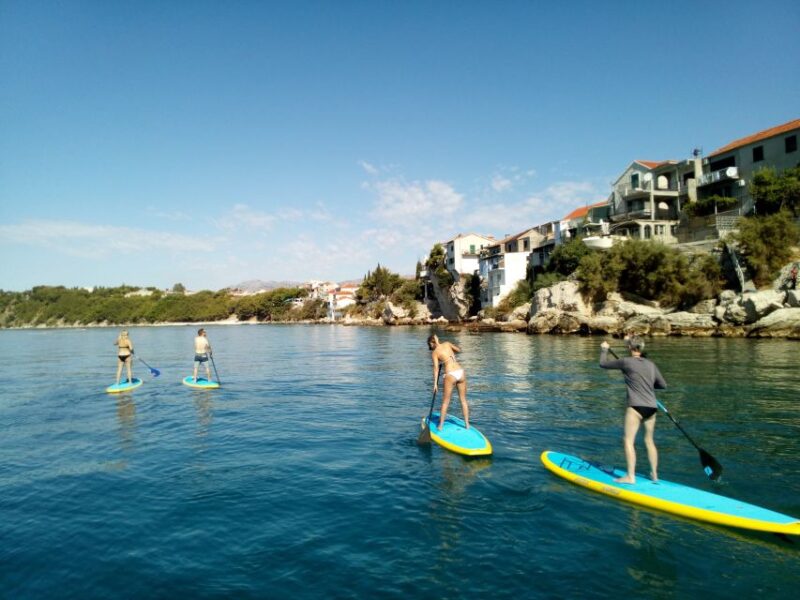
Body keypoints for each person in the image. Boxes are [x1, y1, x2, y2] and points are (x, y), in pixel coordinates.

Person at [599, 336, 667, 484]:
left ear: (630, 348)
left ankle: (630, 476)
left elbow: (603, 364)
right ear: (641, 348)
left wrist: (604, 350)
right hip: (651, 407)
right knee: (649, 441)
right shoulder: (651, 364)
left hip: (636, 406)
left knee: (628, 441)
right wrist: (647, 385)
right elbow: (663, 385)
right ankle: (654, 475)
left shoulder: (626, 362)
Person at [427, 333, 470, 430]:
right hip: (460, 372)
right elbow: (459, 350)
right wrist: (450, 352)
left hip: (450, 374)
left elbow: (436, 369)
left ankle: (441, 426)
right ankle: (467, 425)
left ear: (431, 343)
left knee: (445, 402)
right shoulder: (447, 344)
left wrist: (435, 385)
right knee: (463, 400)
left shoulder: (435, 353)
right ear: (436, 340)